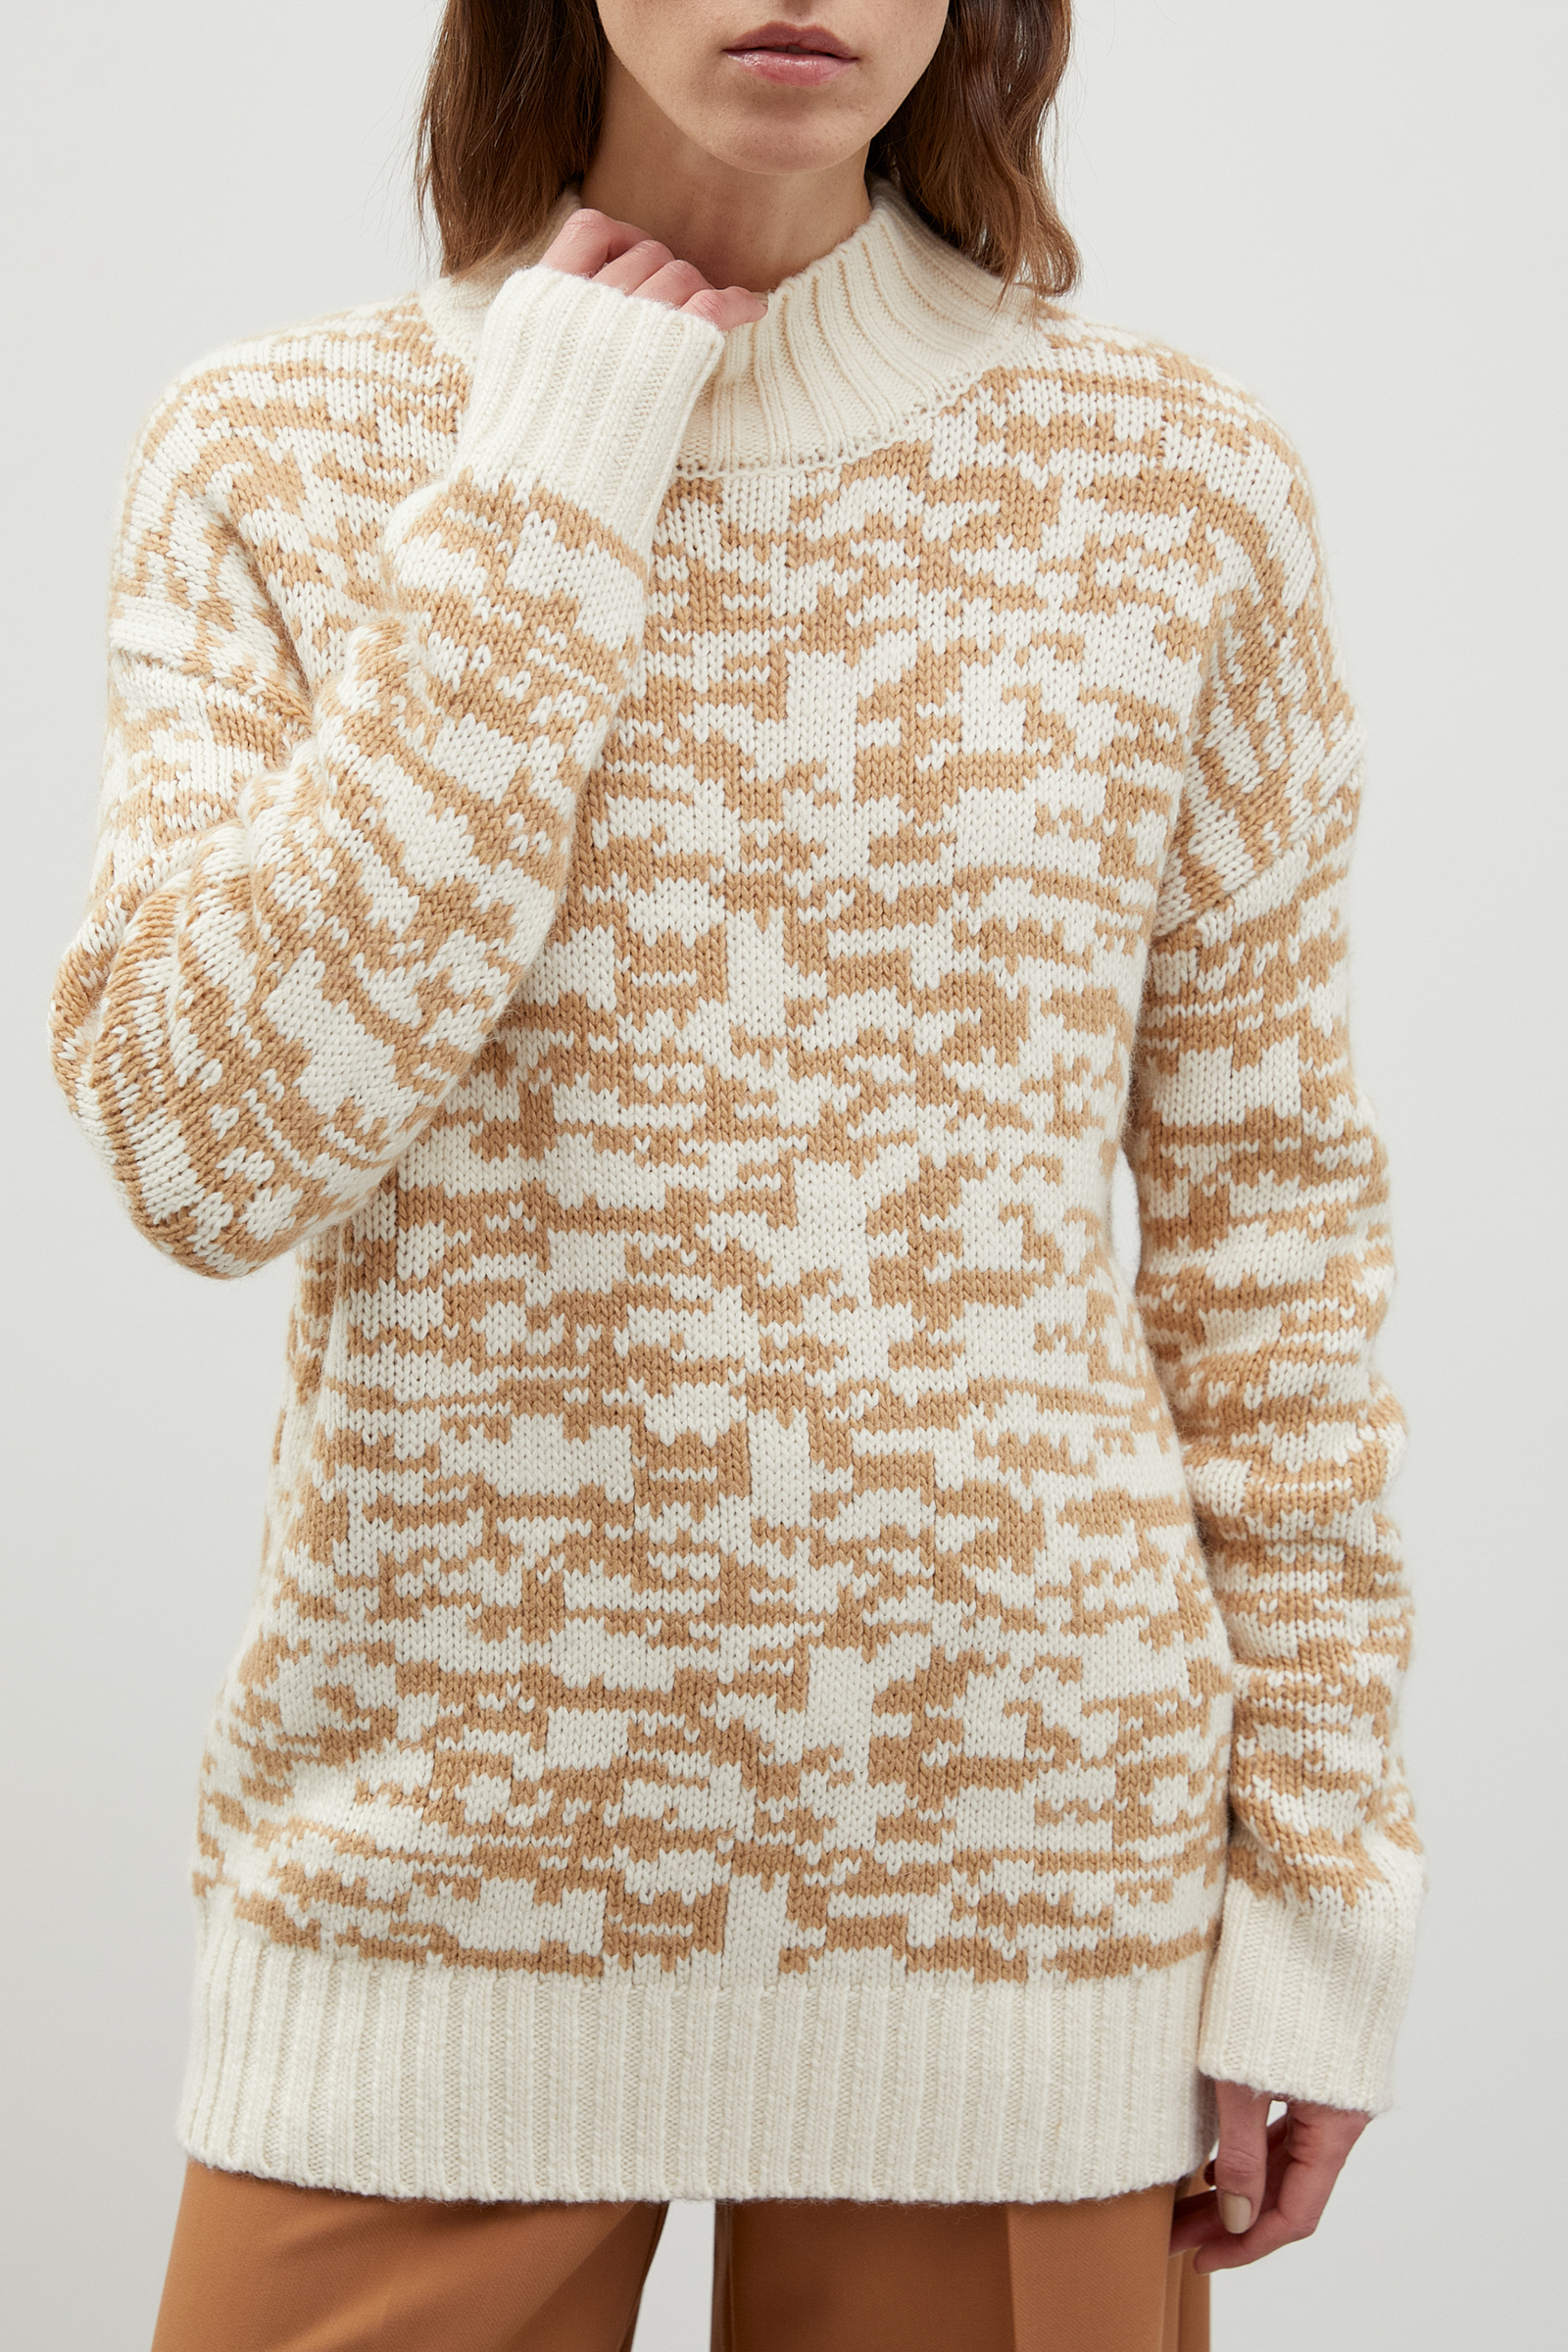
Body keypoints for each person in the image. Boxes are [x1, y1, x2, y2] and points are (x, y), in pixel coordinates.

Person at [45, 3, 1425, 2346]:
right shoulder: (281, 448)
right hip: (435, 1885)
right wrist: (546, 485)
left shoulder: (1171, 484)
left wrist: (1312, 1891)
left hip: (1020, 1903)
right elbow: (205, 1141)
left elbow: (1264, 1237)